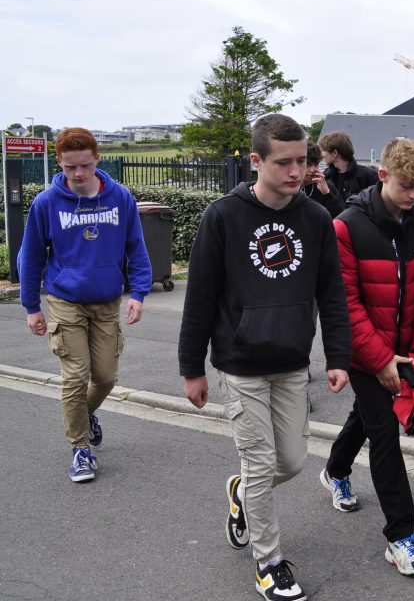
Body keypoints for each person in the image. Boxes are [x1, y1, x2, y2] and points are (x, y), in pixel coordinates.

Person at [178, 113, 351, 601]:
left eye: (302, 161)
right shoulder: (223, 216)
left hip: (293, 362)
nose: (297, 171)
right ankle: (269, 562)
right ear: (256, 161)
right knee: (259, 464)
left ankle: (241, 494)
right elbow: (200, 299)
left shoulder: (316, 219)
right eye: (284, 162)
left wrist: (338, 356)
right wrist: (192, 368)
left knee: (292, 462)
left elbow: (332, 294)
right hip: (240, 363)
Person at [320, 138, 414, 575]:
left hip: (407, 348)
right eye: (407, 186)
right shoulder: (346, 227)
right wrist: (382, 359)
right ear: (383, 175)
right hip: (363, 353)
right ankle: (401, 536)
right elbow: (345, 305)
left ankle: (335, 470)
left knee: (366, 419)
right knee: (385, 432)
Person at [18, 127, 151, 483]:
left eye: (85, 166)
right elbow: (31, 257)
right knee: (75, 377)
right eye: (70, 167)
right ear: (59, 163)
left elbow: (136, 247)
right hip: (65, 301)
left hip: (106, 301)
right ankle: (80, 449)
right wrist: (31, 307)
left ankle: (85, 413)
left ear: (97, 159)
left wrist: (139, 293)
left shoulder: (120, 198)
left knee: (105, 377)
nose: (78, 174)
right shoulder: (47, 203)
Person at [319, 130, 379, 209]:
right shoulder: (326, 177)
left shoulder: (368, 176)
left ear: (335, 153)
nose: (322, 154)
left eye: (324, 150)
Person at [301, 141, 343, 217]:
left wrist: (328, 194)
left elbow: (340, 217)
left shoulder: (327, 186)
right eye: (308, 164)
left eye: (316, 164)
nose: (312, 170)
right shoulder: (288, 187)